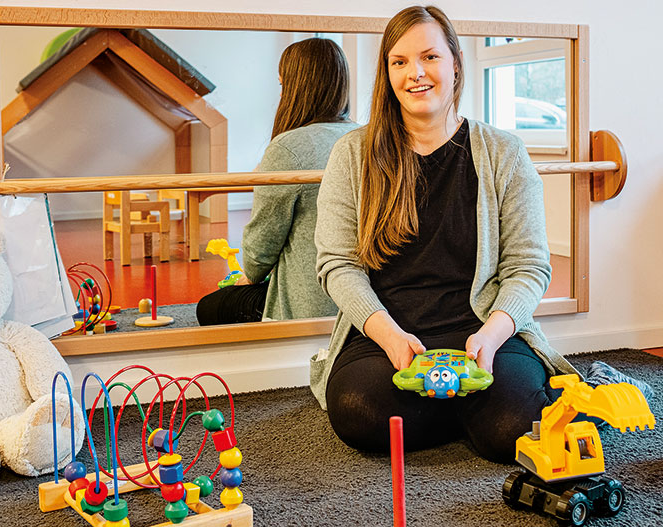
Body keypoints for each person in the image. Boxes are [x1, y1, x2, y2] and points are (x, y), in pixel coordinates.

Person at [311, 5, 652, 462]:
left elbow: (529, 265)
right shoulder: (351, 154)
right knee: (360, 412)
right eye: (400, 61)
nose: (416, 73)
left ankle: (480, 411)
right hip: (386, 339)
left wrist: (492, 335)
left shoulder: (504, 152)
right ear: (387, 72)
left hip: (481, 334)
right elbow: (337, 264)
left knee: (514, 430)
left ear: (455, 62)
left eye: (430, 57)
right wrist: (390, 337)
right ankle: (471, 413)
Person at [196, 38, 359, 325]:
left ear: (295, 89)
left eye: (283, 85)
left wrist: (251, 274)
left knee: (209, 307)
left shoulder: (288, 148)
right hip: (364, 301)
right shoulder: (366, 137)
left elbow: (260, 250)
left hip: (312, 305)